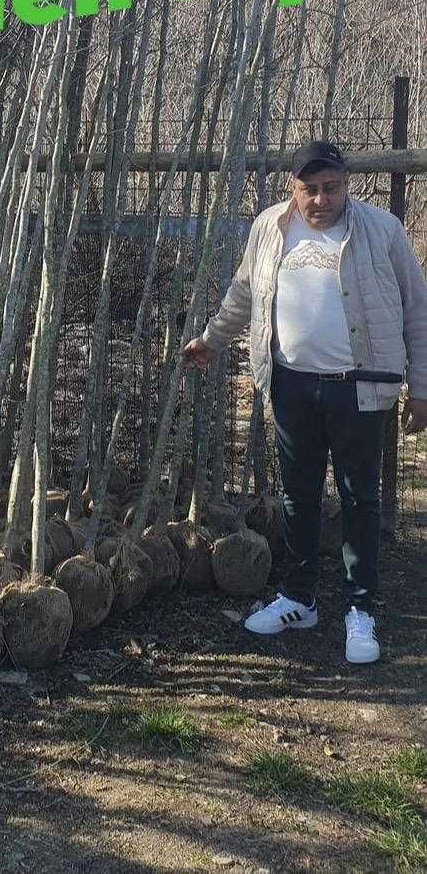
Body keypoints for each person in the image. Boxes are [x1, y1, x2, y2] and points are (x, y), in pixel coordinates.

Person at [183, 140, 427, 664]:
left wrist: (422, 389)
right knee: (298, 494)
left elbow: (417, 311)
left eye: (330, 188)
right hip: (292, 385)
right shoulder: (270, 227)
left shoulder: (382, 231)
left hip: (360, 387)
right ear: (293, 189)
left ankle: (360, 610)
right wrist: (211, 338)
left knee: (360, 497)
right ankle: (299, 598)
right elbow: (243, 294)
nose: (320, 200)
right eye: (309, 189)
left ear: (347, 183)